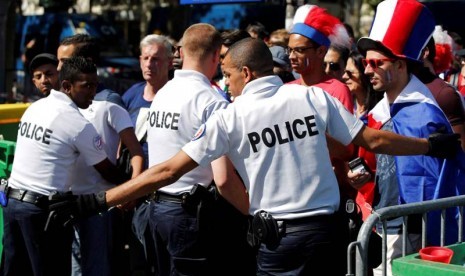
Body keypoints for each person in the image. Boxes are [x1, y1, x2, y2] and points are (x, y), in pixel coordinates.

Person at [48, 37, 460, 276]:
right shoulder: (312, 97)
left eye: (227, 74)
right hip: (324, 237)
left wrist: (95, 201)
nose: (224, 82)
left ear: (246, 73)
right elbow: (373, 140)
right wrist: (430, 146)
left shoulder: (231, 116)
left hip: (278, 242)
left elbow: (168, 170)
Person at [353, 1, 465, 275]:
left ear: (401, 65)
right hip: (385, 223)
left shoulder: (423, 114)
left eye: (375, 63)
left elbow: (427, 186)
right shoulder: (382, 110)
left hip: (410, 231)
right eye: (366, 63)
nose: (367, 71)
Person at [1, 56, 126, 276]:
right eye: (87, 85)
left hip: (13, 206)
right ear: (67, 86)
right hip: (42, 213)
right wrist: (135, 184)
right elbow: (107, 171)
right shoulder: (77, 123)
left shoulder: (35, 108)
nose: (93, 92)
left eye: (96, 85)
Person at [57, 33, 145, 276]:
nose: (57, 68)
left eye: (63, 62)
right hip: (66, 202)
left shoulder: (110, 101)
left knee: (96, 268)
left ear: (84, 62)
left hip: (99, 206)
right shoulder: (61, 102)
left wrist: (131, 190)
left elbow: (134, 150)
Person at [121, 33, 173, 275]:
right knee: (136, 259)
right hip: (132, 191)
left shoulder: (176, 96)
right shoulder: (131, 94)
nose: (150, 64)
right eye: (146, 58)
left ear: (170, 62)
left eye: (156, 59)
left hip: (162, 193)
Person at [342, 50, 383, 221]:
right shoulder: (344, 106)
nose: (344, 77)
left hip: (375, 196)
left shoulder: (380, 113)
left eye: (350, 73)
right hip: (352, 196)